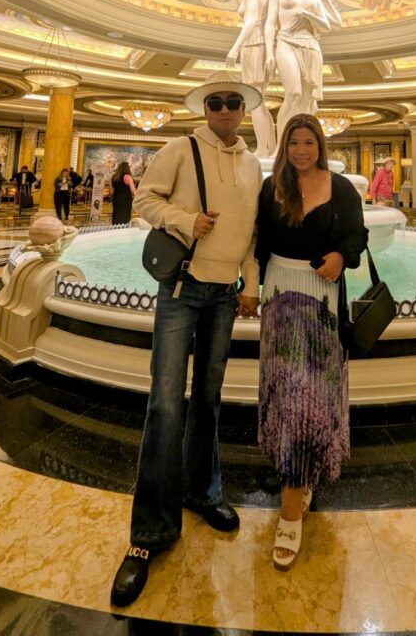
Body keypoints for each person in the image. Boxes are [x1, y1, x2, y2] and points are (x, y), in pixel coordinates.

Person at [110, 71, 263, 608]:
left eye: (233, 102)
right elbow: (144, 202)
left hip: (225, 296)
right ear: (205, 108)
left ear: (243, 109)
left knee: (210, 400)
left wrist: (251, 282)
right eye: (216, 102)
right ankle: (149, 533)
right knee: (167, 404)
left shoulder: (251, 163)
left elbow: (251, 230)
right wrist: (184, 220)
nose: (224, 110)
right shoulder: (179, 147)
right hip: (181, 287)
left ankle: (204, 492)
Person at [255, 113, 367, 570]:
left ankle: (291, 506)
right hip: (279, 292)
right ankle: (297, 481)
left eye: (309, 142)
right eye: (295, 143)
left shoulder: (341, 188)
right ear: (285, 146)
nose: (302, 150)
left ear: (320, 145)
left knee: (311, 399)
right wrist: (248, 284)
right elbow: (259, 240)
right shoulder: (271, 187)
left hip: (322, 297)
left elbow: (356, 237)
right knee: (287, 395)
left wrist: (342, 255)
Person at [264, 0, 341, 146]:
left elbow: (326, 25)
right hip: (286, 40)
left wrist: (308, 15)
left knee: (306, 102)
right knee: (293, 94)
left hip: (311, 46)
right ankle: (280, 147)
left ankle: (300, 144)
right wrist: (269, 53)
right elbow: (270, 22)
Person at [226, 0, 277, 158]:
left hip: (253, 42)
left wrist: (235, 47)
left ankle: (264, 149)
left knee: (254, 100)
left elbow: (250, 19)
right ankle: (270, 147)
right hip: (264, 44)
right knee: (259, 99)